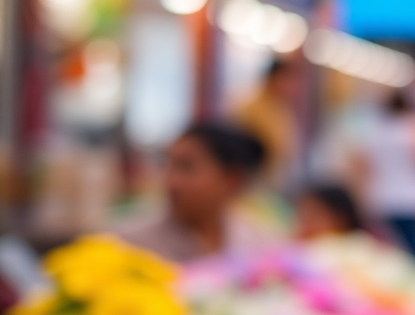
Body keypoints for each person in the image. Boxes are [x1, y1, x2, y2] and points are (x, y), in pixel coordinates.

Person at [120, 123, 271, 263]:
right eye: (169, 165)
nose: (172, 182)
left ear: (231, 179)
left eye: (187, 168)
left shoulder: (257, 245)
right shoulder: (130, 246)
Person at [355, 91, 415, 261]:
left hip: (382, 198)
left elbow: (364, 166)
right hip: (413, 198)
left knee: (389, 253)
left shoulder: (375, 131)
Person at [233, 59, 302, 192]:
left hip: (275, 186)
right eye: (287, 80)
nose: (292, 87)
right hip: (252, 186)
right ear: (272, 79)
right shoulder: (250, 109)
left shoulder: (283, 111)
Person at [294, 184, 362, 241]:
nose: (307, 223)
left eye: (314, 216)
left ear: (339, 220)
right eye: (304, 215)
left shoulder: (356, 247)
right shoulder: (300, 244)